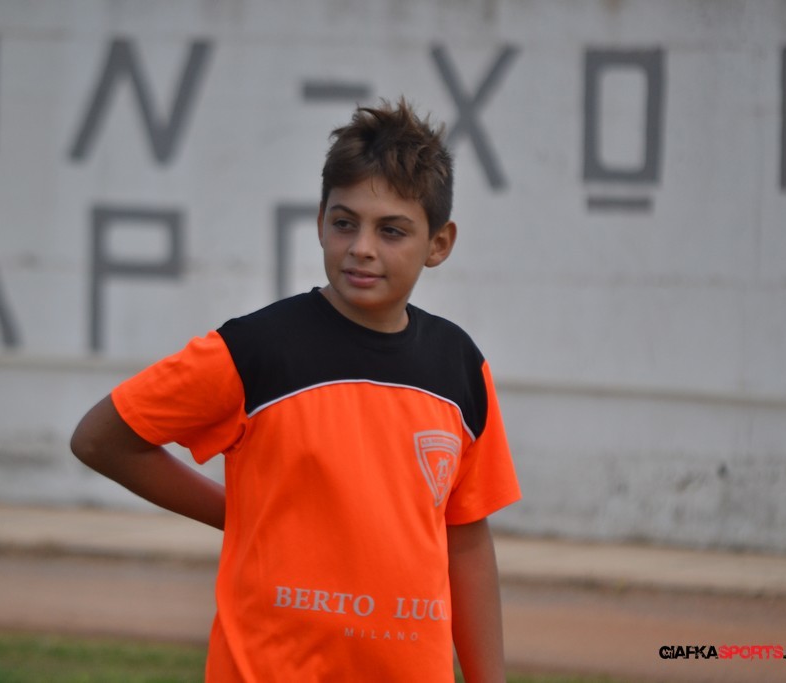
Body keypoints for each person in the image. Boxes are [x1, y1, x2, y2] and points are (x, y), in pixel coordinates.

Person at [70, 98, 520, 682]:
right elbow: (101, 439)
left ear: (439, 243)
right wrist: (237, 515)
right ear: (320, 221)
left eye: (391, 230)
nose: (362, 247)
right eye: (344, 222)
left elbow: (466, 540)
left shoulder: (459, 367)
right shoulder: (256, 349)